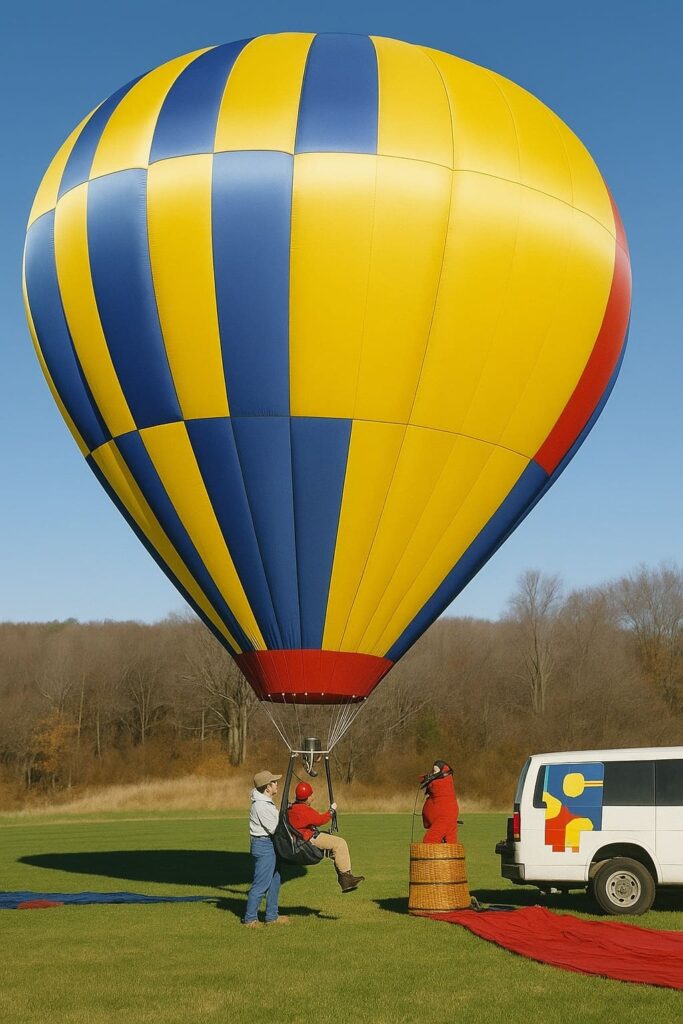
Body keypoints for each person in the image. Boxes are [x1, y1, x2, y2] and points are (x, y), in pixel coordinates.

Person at [287, 782, 365, 892]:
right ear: (307, 797)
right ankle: (346, 878)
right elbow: (320, 820)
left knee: (332, 844)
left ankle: (344, 876)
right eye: (311, 796)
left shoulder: (292, 808)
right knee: (340, 843)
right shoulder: (304, 810)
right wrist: (331, 811)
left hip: (301, 838)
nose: (312, 798)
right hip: (308, 839)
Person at [243, 769, 289, 928]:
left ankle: (271, 916)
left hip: (270, 844)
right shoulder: (261, 806)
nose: (277, 784)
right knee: (261, 884)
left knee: (275, 881)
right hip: (264, 845)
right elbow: (275, 829)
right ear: (267, 787)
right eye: (274, 782)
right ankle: (250, 919)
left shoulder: (266, 802)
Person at [421, 759, 460, 843]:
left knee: (429, 842)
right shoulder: (437, 786)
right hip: (444, 818)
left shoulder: (442, 785)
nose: (433, 774)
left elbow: (436, 787)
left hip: (444, 819)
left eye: (435, 771)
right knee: (450, 842)